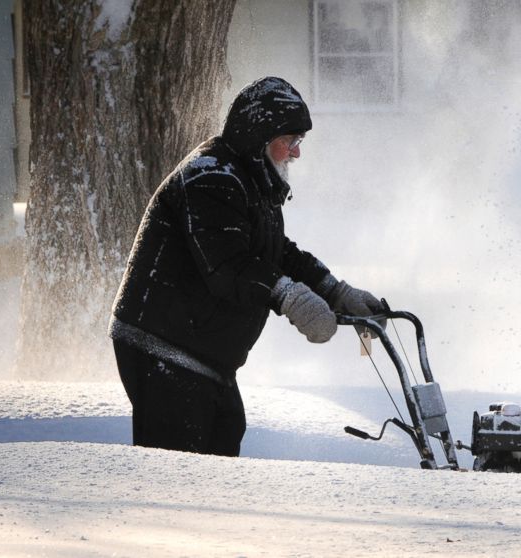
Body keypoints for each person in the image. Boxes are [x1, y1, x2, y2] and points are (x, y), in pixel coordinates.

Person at [109, 76, 382, 456]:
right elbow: (229, 266)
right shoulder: (211, 178)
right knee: (182, 466)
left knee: (225, 434)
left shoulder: (249, 180)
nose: (296, 154)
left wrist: (334, 290)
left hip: (201, 351)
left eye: (298, 142)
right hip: (164, 345)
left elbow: (275, 252)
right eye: (289, 141)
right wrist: (289, 297)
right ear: (259, 139)